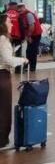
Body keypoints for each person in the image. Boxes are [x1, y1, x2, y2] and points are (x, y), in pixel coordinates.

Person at [0, 14, 28, 147]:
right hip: (2, 76)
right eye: (9, 22)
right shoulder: (3, 40)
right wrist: (22, 60)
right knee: (4, 108)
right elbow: (8, 60)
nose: (11, 24)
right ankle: (2, 139)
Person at [17, 3, 42, 72]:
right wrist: (26, 37)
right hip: (30, 35)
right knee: (28, 51)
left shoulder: (29, 14)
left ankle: (32, 68)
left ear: (24, 7)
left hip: (36, 34)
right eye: (18, 8)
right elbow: (23, 28)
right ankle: (27, 66)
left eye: (20, 8)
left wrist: (29, 36)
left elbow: (32, 26)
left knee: (32, 51)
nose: (19, 10)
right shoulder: (21, 15)